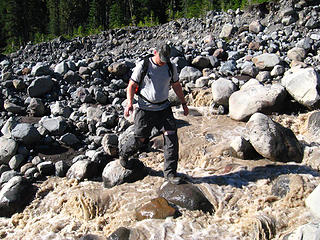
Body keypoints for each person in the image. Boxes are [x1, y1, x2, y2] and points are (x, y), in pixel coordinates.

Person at [120, 43, 189, 184]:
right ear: (155, 52)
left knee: (171, 138)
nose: (163, 61)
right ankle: (124, 154)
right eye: (161, 58)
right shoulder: (144, 65)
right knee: (141, 139)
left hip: (164, 107)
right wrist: (129, 103)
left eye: (166, 59)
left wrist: (184, 103)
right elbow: (131, 86)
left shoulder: (171, 67)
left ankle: (170, 174)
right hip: (145, 108)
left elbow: (176, 85)